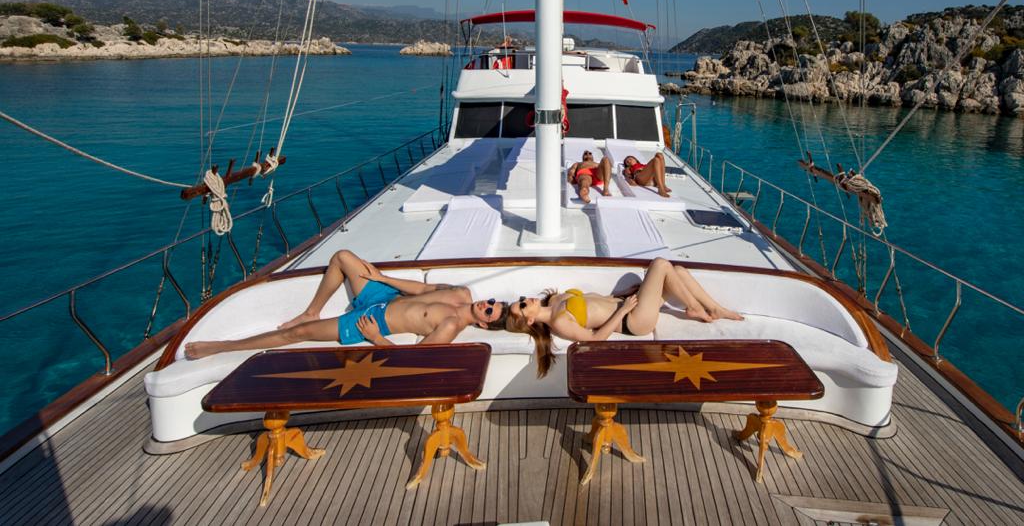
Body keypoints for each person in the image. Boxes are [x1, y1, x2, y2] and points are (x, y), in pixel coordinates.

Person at [184, 249, 507, 359]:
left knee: (299, 335)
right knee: (343, 257)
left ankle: (222, 347)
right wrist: (384, 279)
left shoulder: (451, 326)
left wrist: (377, 339)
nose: (487, 304)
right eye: (492, 301)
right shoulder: (461, 293)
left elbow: (418, 355)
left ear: (483, 324)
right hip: (385, 297)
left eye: (491, 311)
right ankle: (312, 308)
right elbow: (423, 287)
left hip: (372, 323)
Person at [505, 257, 743, 376]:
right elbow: (595, 339)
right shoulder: (559, 322)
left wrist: (618, 297)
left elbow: (594, 302)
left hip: (629, 303)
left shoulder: (555, 300)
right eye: (524, 305)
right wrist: (623, 310)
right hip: (634, 320)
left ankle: (715, 308)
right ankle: (695, 308)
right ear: (530, 320)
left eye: (523, 299)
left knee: (677, 271)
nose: (527, 299)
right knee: (660, 264)